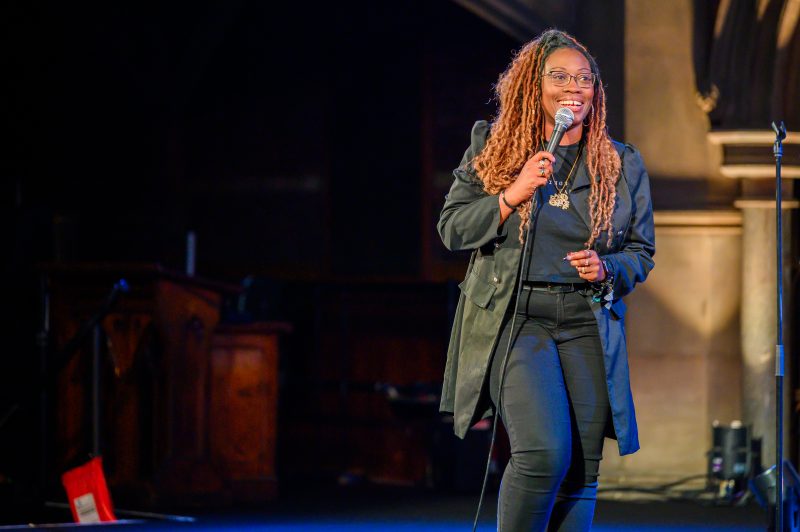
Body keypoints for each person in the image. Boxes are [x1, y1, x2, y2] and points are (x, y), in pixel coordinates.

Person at [437, 29, 655, 531]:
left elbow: (640, 252)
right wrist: (510, 195)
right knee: (543, 453)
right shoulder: (495, 148)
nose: (573, 88)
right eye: (559, 77)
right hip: (518, 318)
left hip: (586, 319)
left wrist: (608, 267)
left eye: (584, 79)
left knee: (582, 468)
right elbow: (452, 228)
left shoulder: (621, 163)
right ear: (533, 86)